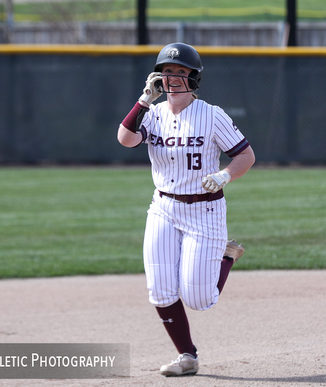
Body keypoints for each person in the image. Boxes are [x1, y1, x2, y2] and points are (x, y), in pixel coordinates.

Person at [117, 42, 255, 377]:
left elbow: (245, 156)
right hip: (163, 208)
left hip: (204, 211)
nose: (173, 78)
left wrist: (223, 175)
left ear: (194, 78)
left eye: (181, 72)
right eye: (167, 72)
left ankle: (227, 255)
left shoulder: (211, 114)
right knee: (160, 289)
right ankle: (187, 356)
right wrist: (143, 100)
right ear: (158, 77)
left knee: (200, 299)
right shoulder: (153, 113)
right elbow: (125, 139)